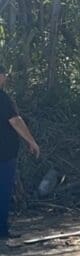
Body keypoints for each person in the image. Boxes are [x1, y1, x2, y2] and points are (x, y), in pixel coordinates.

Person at [0, 64, 40, 239]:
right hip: (4, 154)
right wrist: (31, 141)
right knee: (3, 191)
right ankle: (1, 230)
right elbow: (16, 121)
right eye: (4, 75)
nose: (5, 78)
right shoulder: (3, 98)